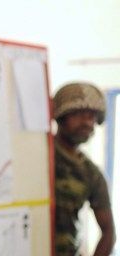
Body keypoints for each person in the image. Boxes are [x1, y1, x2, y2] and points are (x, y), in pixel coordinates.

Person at [53, 82, 116, 256]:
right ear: (61, 116)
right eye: (79, 114)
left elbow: (109, 233)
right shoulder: (38, 156)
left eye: (92, 116)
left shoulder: (91, 173)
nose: (87, 122)